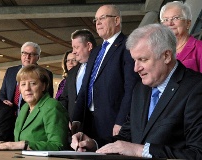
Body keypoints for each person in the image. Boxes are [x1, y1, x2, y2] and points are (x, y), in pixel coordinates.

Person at [71, 24, 202, 159]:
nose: (136, 68)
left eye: (143, 59)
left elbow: (197, 153)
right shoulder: (140, 89)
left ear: (166, 56)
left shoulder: (196, 88)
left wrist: (141, 150)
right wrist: (94, 143)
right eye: (134, 60)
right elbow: (126, 137)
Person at [71, 5, 139, 139]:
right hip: (88, 121)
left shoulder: (128, 46)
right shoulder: (96, 51)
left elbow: (131, 88)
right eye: (96, 19)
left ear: (117, 20)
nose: (98, 22)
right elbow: (85, 86)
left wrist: (121, 121)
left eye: (102, 18)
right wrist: (76, 118)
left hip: (112, 121)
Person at [0, 64, 69, 151]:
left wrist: (23, 145)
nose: (27, 88)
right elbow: (19, 142)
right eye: (23, 84)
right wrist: (3, 144)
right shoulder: (25, 108)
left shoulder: (52, 106)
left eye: (33, 83)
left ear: (43, 86)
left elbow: (58, 146)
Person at [0, 42, 54, 116]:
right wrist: (4, 101)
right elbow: (2, 93)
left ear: (38, 57)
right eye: (24, 53)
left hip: (31, 116)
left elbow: (47, 97)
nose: (27, 57)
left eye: (31, 54)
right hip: (9, 116)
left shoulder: (45, 73)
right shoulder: (11, 71)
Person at [59, 29, 97, 123]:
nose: (74, 52)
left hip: (97, 124)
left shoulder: (100, 68)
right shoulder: (72, 72)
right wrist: (65, 118)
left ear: (89, 46)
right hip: (74, 125)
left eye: (76, 47)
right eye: (73, 48)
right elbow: (65, 98)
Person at [160, 1, 202, 72]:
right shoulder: (158, 49)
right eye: (166, 20)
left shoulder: (199, 48)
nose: (170, 23)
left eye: (175, 18)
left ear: (188, 23)